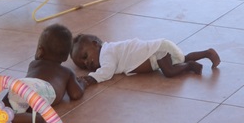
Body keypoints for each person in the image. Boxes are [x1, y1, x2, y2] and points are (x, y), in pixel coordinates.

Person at [0, 23, 86, 123]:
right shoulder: (67, 72)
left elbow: (27, 88)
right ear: (66, 57)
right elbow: (75, 94)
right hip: (40, 91)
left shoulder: (34, 64)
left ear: (40, 50)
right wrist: (82, 84)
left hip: (20, 84)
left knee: (10, 100)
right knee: (38, 119)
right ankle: (10, 118)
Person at [70, 32, 220, 85]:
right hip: (157, 51)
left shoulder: (106, 52)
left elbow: (107, 71)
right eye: (83, 65)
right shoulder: (109, 50)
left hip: (158, 51)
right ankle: (207, 53)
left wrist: (91, 78)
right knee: (181, 58)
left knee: (169, 71)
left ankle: (190, 66)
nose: (86, 63)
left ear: (96, 45)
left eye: (85, 56)